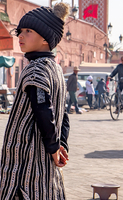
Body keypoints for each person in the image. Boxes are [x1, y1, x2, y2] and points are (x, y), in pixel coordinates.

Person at [0, 3, 70, 199]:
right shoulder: (56, 69)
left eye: (28, 31)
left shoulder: (36, 69)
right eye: (19, 31)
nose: (20, 36)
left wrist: (54, 146)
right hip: (45, 163)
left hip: (25, 161)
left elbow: (43, 109)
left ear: (46, 39)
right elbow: (63, 115)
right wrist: (60, 145)